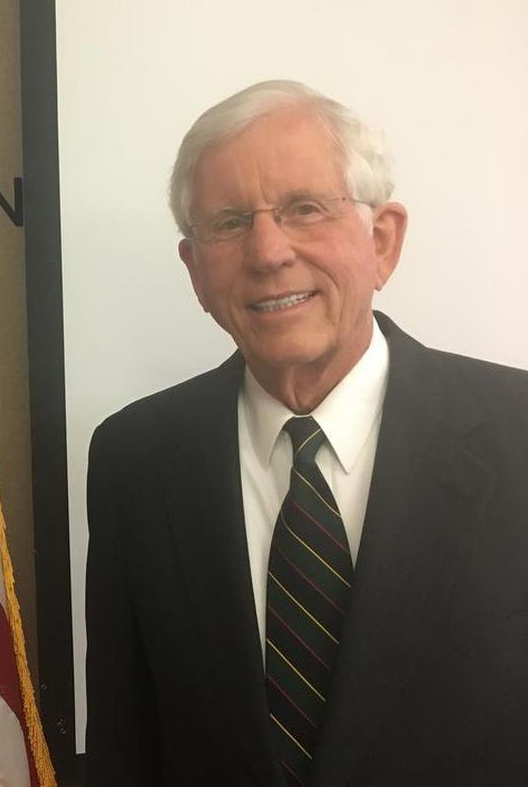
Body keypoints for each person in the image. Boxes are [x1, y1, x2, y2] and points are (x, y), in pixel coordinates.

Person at [85, 81, 528, 785]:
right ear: (195, 271)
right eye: (229, 222)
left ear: (382, 241)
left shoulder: (516, 433)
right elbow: (124, 745)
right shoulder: (133, 460)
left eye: (304, 209)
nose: (268, 251)